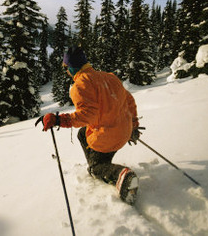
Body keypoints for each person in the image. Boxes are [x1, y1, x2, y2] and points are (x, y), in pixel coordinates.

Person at [42, 46, 140, 205]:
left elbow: (88, 115)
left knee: (96, 168)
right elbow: (129, 101)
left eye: (67, 68)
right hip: (125, 130)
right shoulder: (110, 77)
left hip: (108, 136)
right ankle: (99, 163)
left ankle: (116, 173)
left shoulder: (80, 85)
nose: (67, 71)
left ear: (73, 67)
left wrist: (59, 120)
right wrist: (133, 126)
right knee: (83, 134)